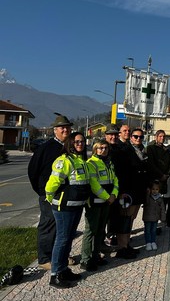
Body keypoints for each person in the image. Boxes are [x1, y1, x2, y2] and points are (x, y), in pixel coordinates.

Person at [28, 113, 73, 271]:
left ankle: (59, 255)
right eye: (62, 128)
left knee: (62, 227)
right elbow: (33, 171)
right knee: (48, 225)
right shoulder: (45, 148)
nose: (65, 130)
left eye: (67, 127)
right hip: (49, 195)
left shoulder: (70, 147)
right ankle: (44, 258)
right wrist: (42, 191)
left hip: (66, 195)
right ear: (55, 130)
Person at [45, 132, 90, 288]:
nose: (80, 144)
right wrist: (50, 198)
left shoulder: (81, 161)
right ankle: (55, 275)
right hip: (64, 207)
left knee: (68, 238)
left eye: (82, 142)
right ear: (70, 143)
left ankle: (63, 269)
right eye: (77, 142)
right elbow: (52, 183)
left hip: (76, 206)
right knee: (62, 239)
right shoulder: (64, 161)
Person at [80, 140, 118, 272]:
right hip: (95, 202)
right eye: (100, 148)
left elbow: (115, 180)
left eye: (106, 148)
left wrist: (114, 194)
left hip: (107, 203)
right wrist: (108, 197)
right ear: (95, 149)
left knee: (100, 231)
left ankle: (95, 256)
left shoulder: (109, 163)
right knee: (90, 230)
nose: (103, 150)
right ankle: (85, 259)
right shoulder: (91, 163)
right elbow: (94, 184)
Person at [115, 128, 147, 259]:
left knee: (131, 218)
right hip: (128, 189)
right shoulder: (124, 149)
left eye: (141, 137)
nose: (138, 139)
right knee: (125, 218)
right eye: (135, 136)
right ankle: (121, 247)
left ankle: (127, 244)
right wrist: (121, 191)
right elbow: (121, 170)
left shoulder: (142, 150)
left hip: (139, 188)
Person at [143, 180, 166, 250]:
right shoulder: (148, 197)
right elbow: (146, 203)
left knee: (153, 231)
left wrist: (163, 217)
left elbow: (162, 208)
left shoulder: (160, 198)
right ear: (150, 189)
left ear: (159, 190)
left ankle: (153, 242)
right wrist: (147, 193)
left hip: (155, 218)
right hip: (147, 218)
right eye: (153, 189)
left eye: (157, 189)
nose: (155, 191)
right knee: (147, 230)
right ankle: (148, 243)